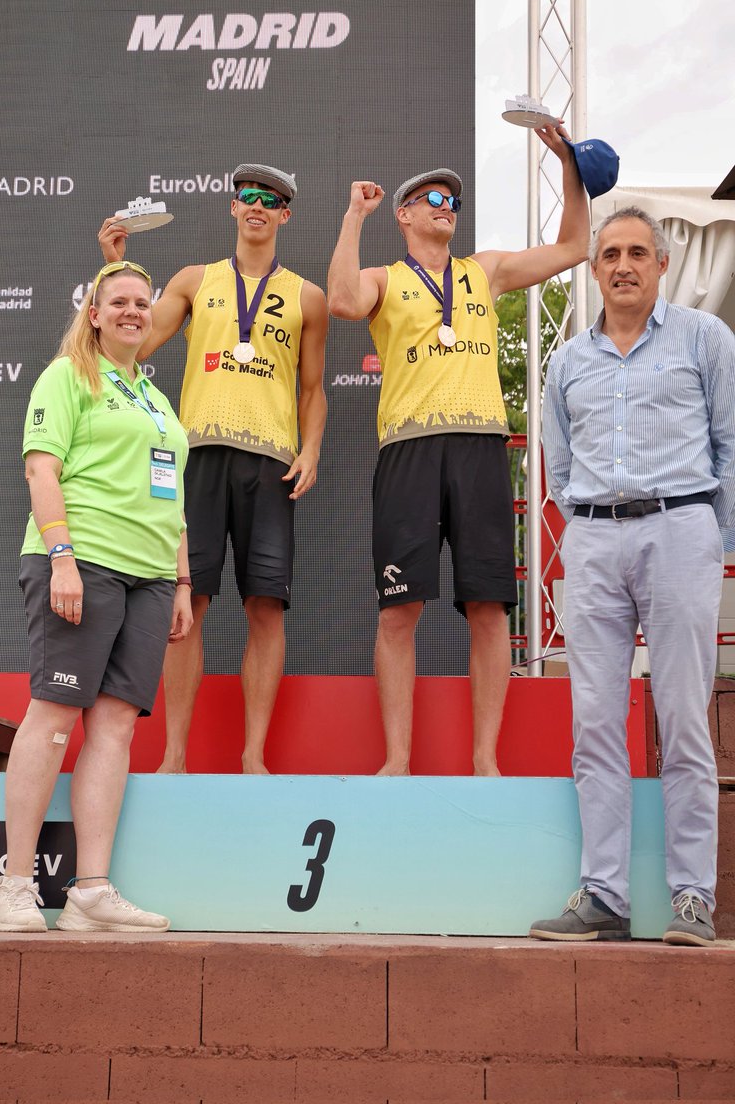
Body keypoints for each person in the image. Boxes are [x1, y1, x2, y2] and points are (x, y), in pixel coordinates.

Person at [327, 126, 589, 774]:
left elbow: (575, 246)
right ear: (406, 214)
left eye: (453, 201)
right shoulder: (385, 279)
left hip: (478, 449)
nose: (446, 207)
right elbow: (339, 300)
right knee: (399, 609)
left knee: (488, 607)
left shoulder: (486, 271)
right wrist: (353, 216)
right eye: (433, 198)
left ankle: (485, 760)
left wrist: (568, 167)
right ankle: (396, 759)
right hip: (409, 452)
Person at [530, 207, 735, 945]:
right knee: (593, 725)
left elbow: (730, 445)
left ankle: (692, 898)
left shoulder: (706, 339)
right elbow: (558, 460)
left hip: (681, 530)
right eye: (610, 252)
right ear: (594, 269)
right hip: (592, 541)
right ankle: (604, 896)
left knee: (682, 718)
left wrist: (716, 541)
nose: (622, 264)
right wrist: (583, 535)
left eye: (637, 253)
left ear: (661, 265)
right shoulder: (567, 362)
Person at [98, 164, 327, 774]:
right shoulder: (195, 281)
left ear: (285, 215)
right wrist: (115, 269)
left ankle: (253, 755)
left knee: (265, 608)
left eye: (271, 199)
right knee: (186, 603)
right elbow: (131, 347)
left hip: (272, 462)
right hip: (196, 457)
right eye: (248, 196)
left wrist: (312, 449)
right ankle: (174, 754)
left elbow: (312, 388)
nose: (257, 205)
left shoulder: (308, 296)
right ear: (232, 208)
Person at [0, 260, 192, 933]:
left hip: (151, 576)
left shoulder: (157, 401)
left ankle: (90, 892)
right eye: (121, 302)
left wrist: (182, 580)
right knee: (53, 716)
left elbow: (174, 499)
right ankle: (14, 883)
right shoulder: (68, 375)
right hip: (83, 562)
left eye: (144, 302)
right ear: (96, 314)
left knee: (114, 727)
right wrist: (62, 558)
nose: (134, 311)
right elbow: (40, 470)